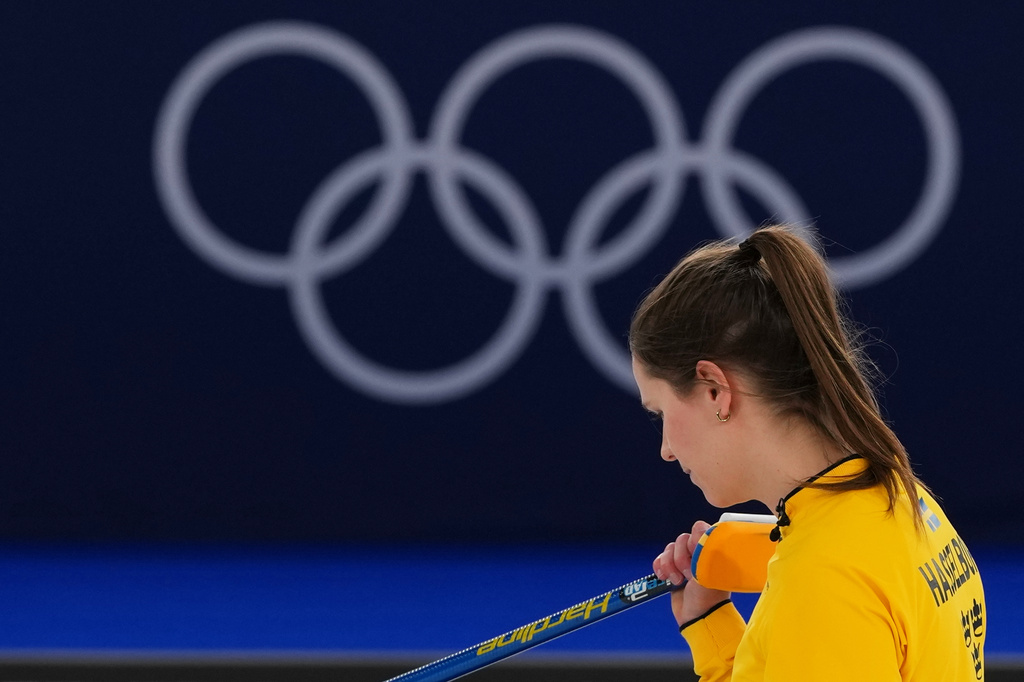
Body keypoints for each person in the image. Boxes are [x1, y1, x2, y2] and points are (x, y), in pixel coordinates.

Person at [629, 225, 986, 680]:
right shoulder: (901, 496)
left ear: (715, 390)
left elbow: (825, 612)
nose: (666, 450)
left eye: (661, 413)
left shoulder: (821, 580)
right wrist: (710, 627)